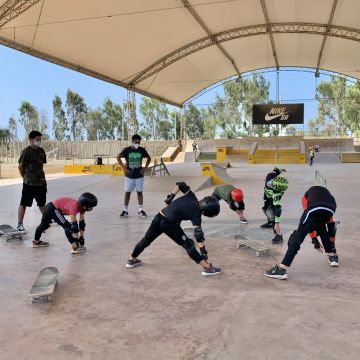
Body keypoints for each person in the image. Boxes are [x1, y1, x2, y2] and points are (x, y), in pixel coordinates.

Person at [125, 182, 222, 277]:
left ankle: (131, 260)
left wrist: (168, 200)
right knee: (188, 244)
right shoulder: (196, 215)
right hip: (169, 224)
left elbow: (180, 185)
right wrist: (203, 252)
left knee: (146, 240)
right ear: (207, 212)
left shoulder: (192, 196)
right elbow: (199, 236)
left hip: (159, 216)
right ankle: (208, 267)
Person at [265, 186, 338, 280]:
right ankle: (333, 257)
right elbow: (330, 225)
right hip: (331, 209)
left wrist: (314, 239)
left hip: (314, 209)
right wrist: (332, 245)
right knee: (321, 225)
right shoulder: (329, 198)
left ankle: (282, 269)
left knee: (297, 236)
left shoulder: (305, 196)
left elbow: (308, 220)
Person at [32, 192, 98, 254]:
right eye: (89, 207)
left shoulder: (82, 207)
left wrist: (81, 237)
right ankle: (74, 247)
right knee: (68, 226)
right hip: (53, 209)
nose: (90, 208)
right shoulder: (74, 207)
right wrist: (76, 241)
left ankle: (36, 241)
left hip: (49, 206)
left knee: (44, 225)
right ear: (84, 205)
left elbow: (81, 224)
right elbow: (74, 227)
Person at [17, 130, 47, 232]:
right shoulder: (26, 152)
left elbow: (41, 165)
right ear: (31, 140)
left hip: (41, 183)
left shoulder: (41, 151)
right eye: (37, 139)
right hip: (29, 184)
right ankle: (20, 224)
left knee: (42, 204)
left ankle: (47, 220)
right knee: (23, 203)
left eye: (40, 139)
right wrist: (24, 177)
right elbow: (21, 166)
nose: (39, 141)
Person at [117, 134, 151, 218]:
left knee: (139, 192)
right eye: (135, 142)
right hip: (129, 176)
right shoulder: (127, 150)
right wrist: (124, 168)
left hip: (139, 175)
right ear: (132, 142)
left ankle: (141, 210)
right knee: (127, 193)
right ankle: (125, 210)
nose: (137, 144)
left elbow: (149, 158)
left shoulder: (142, 150)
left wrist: (145, 168)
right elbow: (118, 157)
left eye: (139, 142)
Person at [260, 167, 288, 244]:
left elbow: (277, 209)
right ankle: (270, 223)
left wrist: (277, 223)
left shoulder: (276, 194)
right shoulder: (269, 176)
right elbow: (274, 171)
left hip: (272, 199)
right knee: (265, 209)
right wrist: (279, 170)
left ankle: (278, 235)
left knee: (270, 212)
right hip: (267, 196)